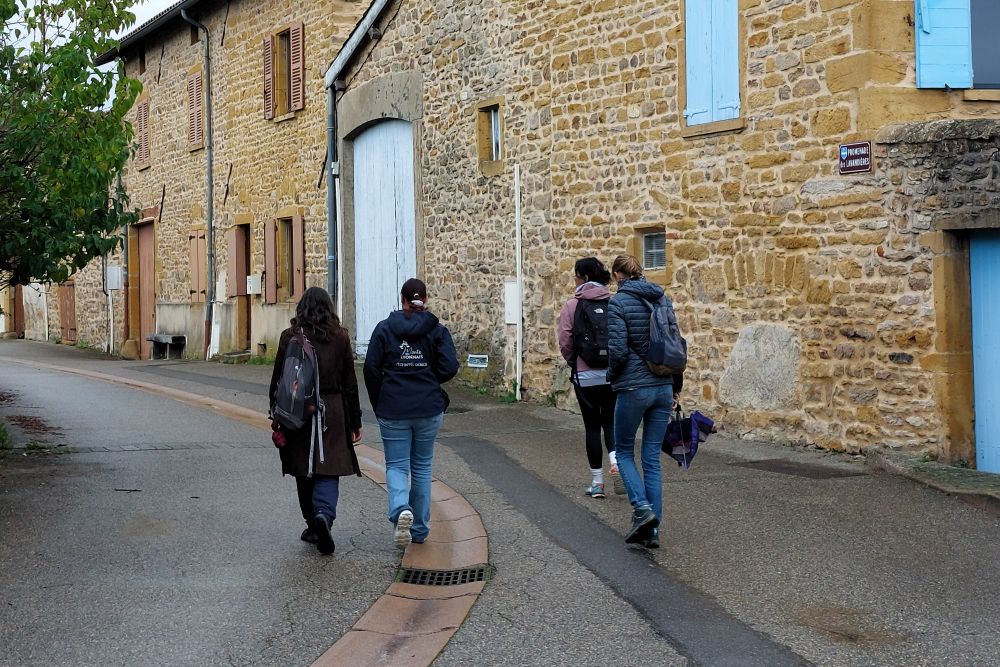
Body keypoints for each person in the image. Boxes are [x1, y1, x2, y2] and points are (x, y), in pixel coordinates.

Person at [364, 278, 458, 549]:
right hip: (428, 408)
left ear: (402, 300)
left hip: (393, 408)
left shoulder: (384, 329)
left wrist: (380, 399)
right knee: (422, 467)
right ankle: (418, 529)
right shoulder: (437, 331)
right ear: (424, 300)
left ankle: (400, 509)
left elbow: (371, 369)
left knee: (396, 465)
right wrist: (429, 379)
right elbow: (450, 366)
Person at [268, 287, 363, 556]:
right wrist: (355, 420)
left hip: (298, 409)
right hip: (331, 410)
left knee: (303, 467)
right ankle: (324, 514)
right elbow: (350, 384)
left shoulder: (290, 337)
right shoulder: (340, 337)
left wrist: (275, 412)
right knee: (328, 467)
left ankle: (312, 523)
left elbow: (278, 378)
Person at [606, 255, 683, 549]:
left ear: (617, 275)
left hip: (633, 386)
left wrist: (613, 377)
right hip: (663, 385)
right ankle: (653, 531)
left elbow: (618, 350)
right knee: (651, 459)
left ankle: (642, 509)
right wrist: (675, 385)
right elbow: (675, 342)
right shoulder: (661, 298)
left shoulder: (618, 303)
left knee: (623, 451)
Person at [558, 257, 621, 499]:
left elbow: (565, 340)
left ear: (583, 277)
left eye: (575, 275)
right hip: (610, 374)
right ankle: (616, 462)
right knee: (610, 422)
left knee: (592, 427)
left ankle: (597, 484)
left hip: (585, 376)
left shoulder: (572, 305)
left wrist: (574, 362)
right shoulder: (612, 302)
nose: (574, 279)